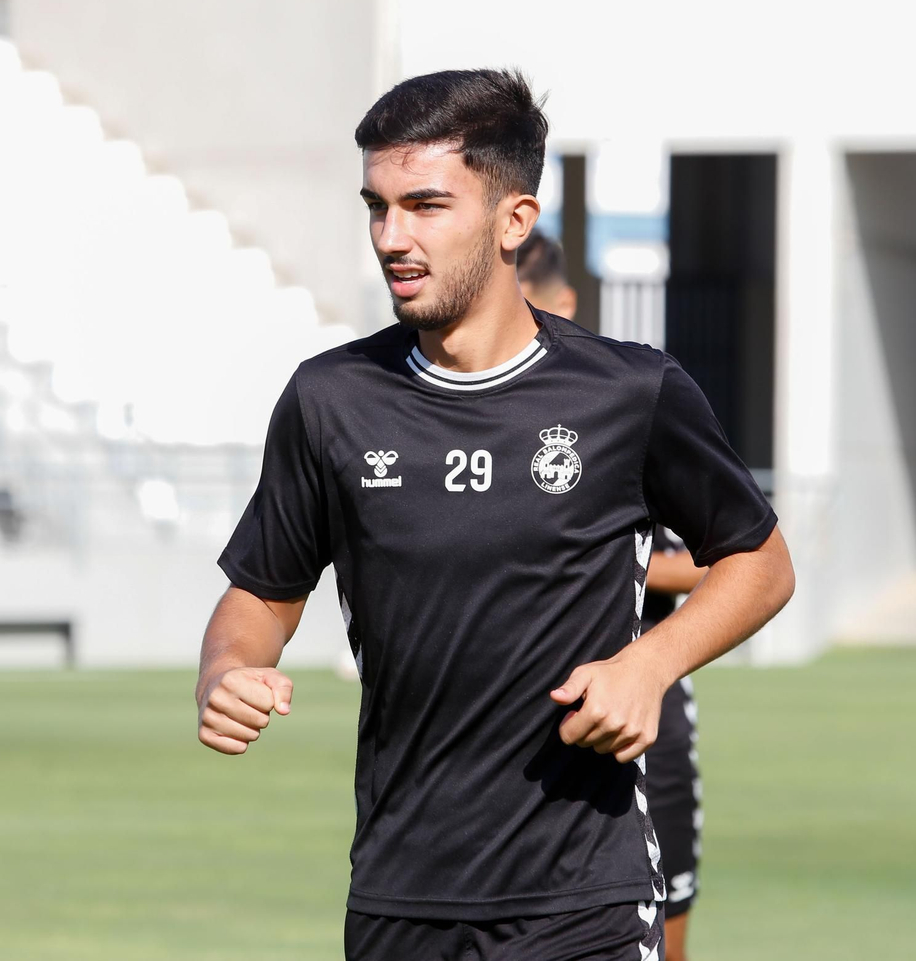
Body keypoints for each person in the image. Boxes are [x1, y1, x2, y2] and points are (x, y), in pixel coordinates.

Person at [196, 68, 795, 961]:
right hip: (398, 900)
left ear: (515, 220)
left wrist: (650, 664)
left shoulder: (630, 392)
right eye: (377, 207)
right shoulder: (330, 400)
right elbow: (261, 595)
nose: (392, 237)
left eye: (426, 206)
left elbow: (763, 563)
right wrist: (225, 670)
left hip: (584, 902)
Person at [517, 230, 711, 961]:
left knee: (666, 934)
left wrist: (612, 560)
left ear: (565, 302)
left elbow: (735, 560)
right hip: (513, 743)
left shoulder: (625, 403)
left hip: (642, 719)